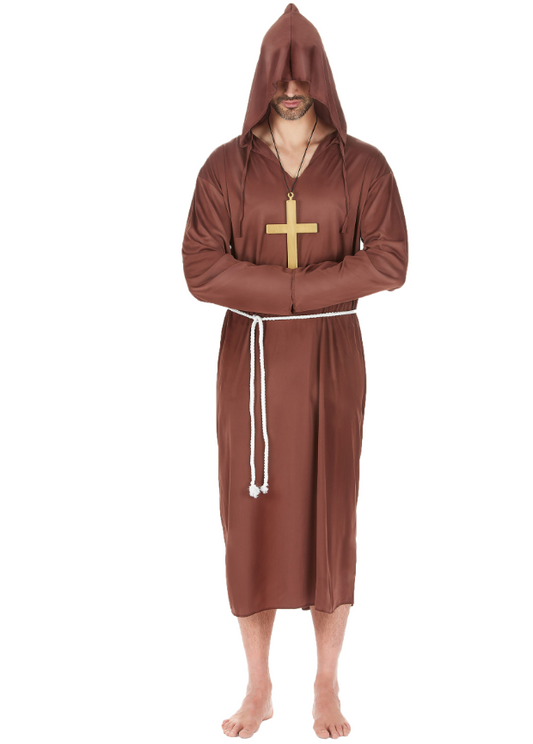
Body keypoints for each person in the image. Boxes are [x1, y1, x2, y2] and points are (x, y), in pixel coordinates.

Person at [181, 3, 408, 739]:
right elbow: (200, 266)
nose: (289, 89)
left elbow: (390, 260)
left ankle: (326, 683)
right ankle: (258, 687)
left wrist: (288, 293)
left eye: (301, 74)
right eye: (278, 76)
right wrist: (301, 290)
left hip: (330, 361)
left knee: (329, 518)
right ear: (261, 79)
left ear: (321, 78)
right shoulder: (225, 167)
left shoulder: (362, 165)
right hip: (249, 366)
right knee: (251, 522)